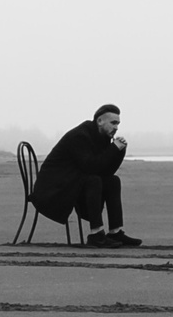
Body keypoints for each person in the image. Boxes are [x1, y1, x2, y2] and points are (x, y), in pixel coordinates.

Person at [30, 103, 140, 247]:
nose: (116, 127)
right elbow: (91, 167)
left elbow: (106, 171)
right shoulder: (80, 136)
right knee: (93, 180)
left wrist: (119, 151)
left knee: (113, 181)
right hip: (52, 188)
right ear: (99, 121)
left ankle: (115, 231)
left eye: (118, 124)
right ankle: (96, 234)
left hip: (73, 182)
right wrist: (113, 149)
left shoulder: (101, 137)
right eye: (113, 123)